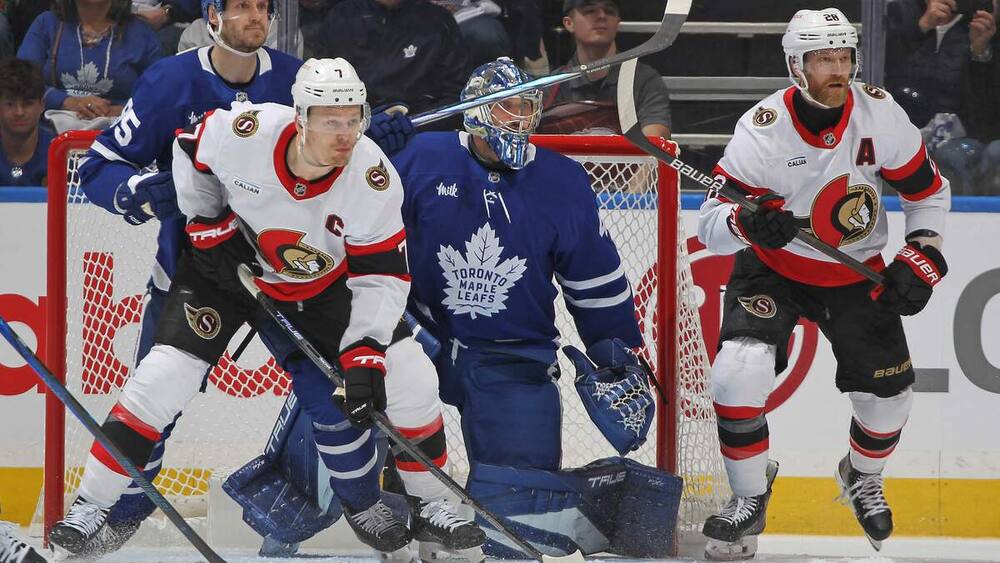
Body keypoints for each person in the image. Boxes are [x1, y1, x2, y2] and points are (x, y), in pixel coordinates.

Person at [48, 57, 485, 557]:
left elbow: (382, 276)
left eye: (353, 120)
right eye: (330, 121)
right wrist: (207, 224)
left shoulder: (373, 176)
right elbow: (189, 149)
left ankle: (431, 503)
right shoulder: (246, 129)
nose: (345, 135)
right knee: (160, 378)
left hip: (320, 288)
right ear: (300, 117)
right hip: (226, 274)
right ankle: (91, 505)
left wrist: (364, 351)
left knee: (413, 377)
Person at [697, 8, 950, 561]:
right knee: (737, 373)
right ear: (796, 65)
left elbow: (927, 192)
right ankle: (747, 498)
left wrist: (921, 253)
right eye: (822, 59)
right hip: (774, 267)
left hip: (854, 269)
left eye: (844, 57)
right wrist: (747, 222)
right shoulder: (761, 129)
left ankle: (861, 475)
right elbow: (711, 228)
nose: (837, 70)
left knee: (889, 403)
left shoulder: (879, 115)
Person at [15, 0, 162, 123]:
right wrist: (67, 101)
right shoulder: (46, 24)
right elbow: (20, 81)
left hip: (119, 133)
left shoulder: (141, 33)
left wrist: (124, 109)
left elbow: (159, 92)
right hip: (52, 129)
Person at [540, 0, 670, 138]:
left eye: (609, 11)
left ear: (617, 22)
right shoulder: (549, 88)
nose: (601, 16)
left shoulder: (645, 81)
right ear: (569, 23)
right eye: (590, 10)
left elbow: (654, 144)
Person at [316, 0, 468, 115]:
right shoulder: (341, 17)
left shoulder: (438, 22)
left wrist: (409, 126)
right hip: (354, 129)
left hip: (418, 129)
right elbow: (321, 87)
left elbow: (457, 95)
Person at [0, 58, 53, 187]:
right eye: (10, 104)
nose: (19, 112)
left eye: (28, 104)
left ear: (42, 105)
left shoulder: (58, 152)